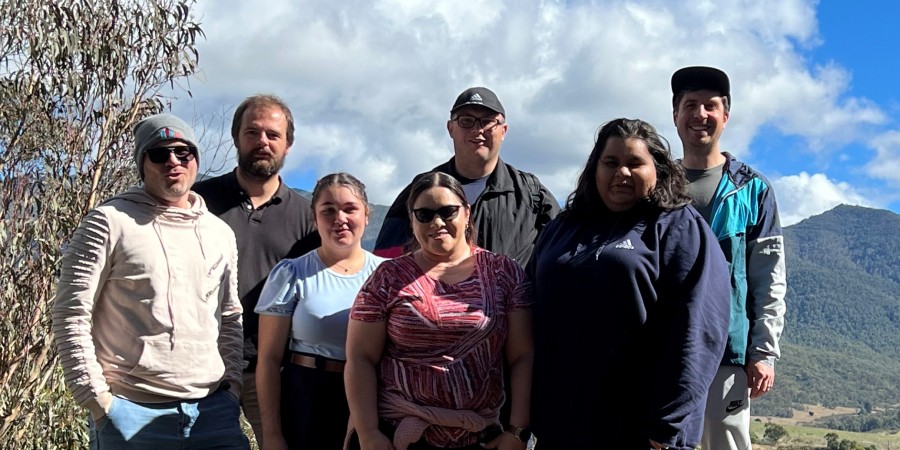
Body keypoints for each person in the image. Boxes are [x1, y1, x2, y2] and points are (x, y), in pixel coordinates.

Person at [528, 118, 730, 449]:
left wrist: (666, 424)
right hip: (560, 427)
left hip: (641, 432)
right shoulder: (563, 227)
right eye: (611, 162)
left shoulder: (679, 228)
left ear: (659, 170)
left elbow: (700, 330)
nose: (622, 172)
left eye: (635, 163)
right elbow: (529, 309)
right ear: (595, 168)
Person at [51, 113, 248, 448]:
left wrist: (232, 388)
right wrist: (97, 401)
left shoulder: (220, 233)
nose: (173, 161)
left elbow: (229, 316)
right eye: (158, 153)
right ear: (142, 164)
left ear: (195, 159)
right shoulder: (109, 223)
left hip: (212, 412)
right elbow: (71, 313)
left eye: (183, 152)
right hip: (130, 413)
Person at [345, 172, 534, 450]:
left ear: (467, 213)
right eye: (424, 214)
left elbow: (522, 356)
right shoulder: (387, 278)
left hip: (480, 437)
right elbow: (360, 358)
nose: (437, 222)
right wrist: (369, 433)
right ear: (411, 221)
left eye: (448, 212)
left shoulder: (505, 273)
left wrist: (517, 432)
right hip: (401, 437)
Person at [193, 94, 321, 445]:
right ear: (237, 137)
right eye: (252, 132)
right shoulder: (197, 203)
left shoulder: (308, 218)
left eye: (273, 135)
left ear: (288, 145)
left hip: (273, 368)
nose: (262, 142)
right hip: (203, 366)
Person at [670, 66, 787, 450]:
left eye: (710, 105)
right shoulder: (657, 186)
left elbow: (768, 278)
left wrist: (763, 352)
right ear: (675, 114)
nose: (700, 114)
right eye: (690, 105)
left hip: (728, 352)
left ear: (726, 114)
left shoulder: (752, 189)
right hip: (663, 350)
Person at [254, 172, 386, 450]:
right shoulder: (292, 273)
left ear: (367, 215)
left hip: (373, 398)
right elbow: (268, 359)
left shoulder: (387, 275)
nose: (340, 219)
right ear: (315, 219)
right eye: (328, 211)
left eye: (350, 209)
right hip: (307, 398)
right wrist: (273, 435)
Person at [374, 86, 559, 266]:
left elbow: (563, 256)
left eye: (487, 121)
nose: (477, 129)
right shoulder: (421, 190)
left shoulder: (532, 194)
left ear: (503, 130)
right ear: (450, 128)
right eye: (466, 120)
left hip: (513, 297)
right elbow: (386, 263)